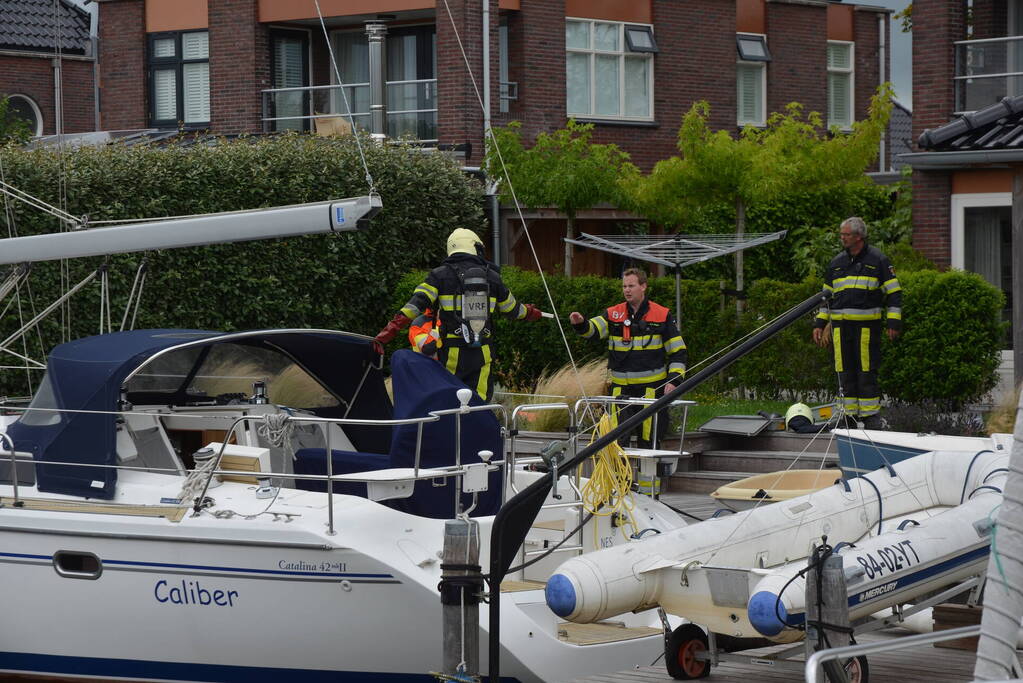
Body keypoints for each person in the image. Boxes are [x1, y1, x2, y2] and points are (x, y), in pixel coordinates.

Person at [373, 228, 543, 402]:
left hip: (451, 352)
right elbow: (512, 309)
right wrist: (530, 312)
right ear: (474, 247)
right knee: (479, 402)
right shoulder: (492, 277)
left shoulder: (439, 275)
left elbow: (415, 305)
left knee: (450, 401)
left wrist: (387, 333)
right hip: (482, 351)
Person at [569, 267, 687, 448]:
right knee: (616, 443)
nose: (627, 290)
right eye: (624, 286)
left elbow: (678, 351)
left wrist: (675, 380)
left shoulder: (662, 314)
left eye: (631, 285)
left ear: (643, 287)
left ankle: (648, 478)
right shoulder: (613, 314)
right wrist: (580, 323)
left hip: (651, 391)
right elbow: (593, 331)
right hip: (620, 392)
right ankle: (619, 477)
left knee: (650, 442)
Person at [812, 217, 902, 429]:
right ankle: (848, 416)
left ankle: (871, 417)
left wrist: (893, 322)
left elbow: (895, 293)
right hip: (840, 330)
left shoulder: (878, 260)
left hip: (866, 329)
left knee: (866, 371)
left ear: (859, 237)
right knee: (844, 372)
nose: (842, 238)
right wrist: (819, 323)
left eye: (846, 234)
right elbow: (826, 299)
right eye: (841, 234)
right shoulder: (836, 264)